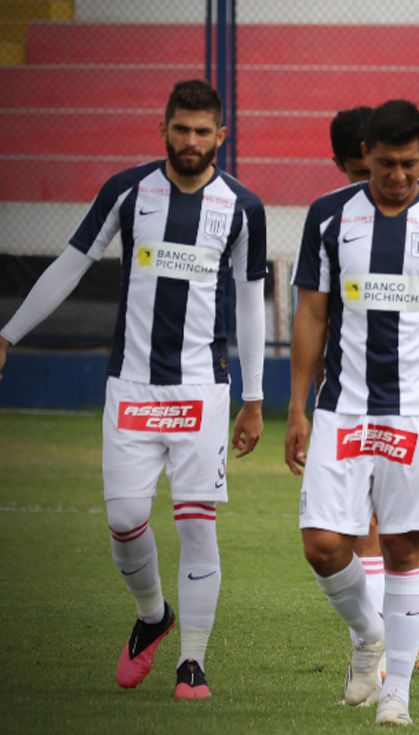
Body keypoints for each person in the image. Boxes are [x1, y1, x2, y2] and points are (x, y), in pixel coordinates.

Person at [0, 79, 266, 700]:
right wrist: (8, 334)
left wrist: (254, 399)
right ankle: (153, 616)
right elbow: (70, 264)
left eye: (204, 131)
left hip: (203, 389)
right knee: (124, 521)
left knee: (197, 523)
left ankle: (192, 663)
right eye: (182, 129)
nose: (192, 140)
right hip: (132, 387)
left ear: (221, 136)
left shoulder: (242, 206)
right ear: (164, 129)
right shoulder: (127, 191)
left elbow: (252, 304)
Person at [284, 100, 419, 724]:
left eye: (410, 164)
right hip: (341, 408)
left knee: (411, 546)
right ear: (365, 158)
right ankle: (367, 635)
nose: (399, 176)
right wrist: (296, 407)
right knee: (324, 544)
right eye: (386, 165)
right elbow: (311, 314)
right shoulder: (328, 219)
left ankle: (397, 694)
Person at [325, 104, 395, 670]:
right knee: (348, 531)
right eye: (355, 172)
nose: (369, 182)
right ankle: (369, 645)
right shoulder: (330, 221)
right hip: (350, 398)